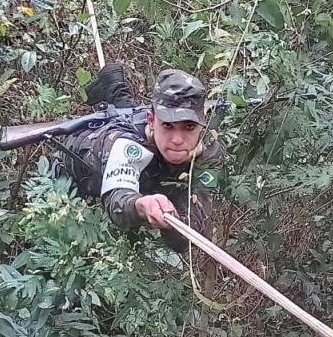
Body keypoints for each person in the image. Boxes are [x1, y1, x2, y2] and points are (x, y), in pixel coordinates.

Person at [61, 63, 220, 251]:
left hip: (149, 168)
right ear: (152, 121)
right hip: (76, 170)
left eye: (189, 126)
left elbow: (193, 230)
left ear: (203, 125)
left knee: (126, 108)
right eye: (168, 125)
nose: (177, 139)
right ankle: (110, 89)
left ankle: (114, 87)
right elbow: (117, 201)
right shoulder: (125, 144)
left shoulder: (208, 148)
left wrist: (174, 223)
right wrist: (140, 205)